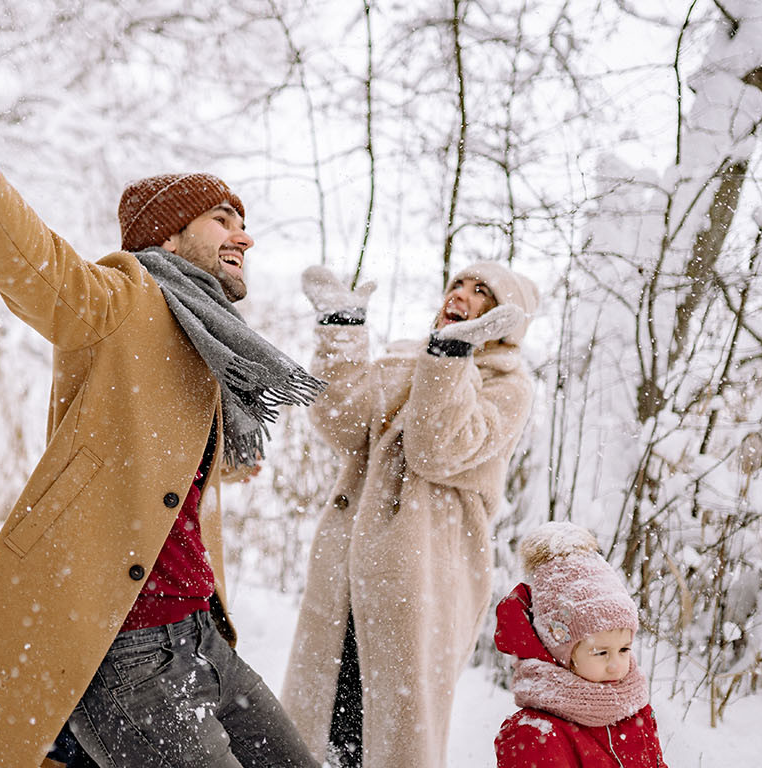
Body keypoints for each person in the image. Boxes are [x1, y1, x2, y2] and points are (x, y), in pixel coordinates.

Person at [0, 58, 324, 768]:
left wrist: (215, 467)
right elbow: (40, 271)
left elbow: (148, 469)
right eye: (222, 219)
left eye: (244, 222)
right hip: (125, 646)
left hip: (198, 633)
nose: (244, 236)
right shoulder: (124, 298)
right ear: (168, 238)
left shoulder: (208, 345)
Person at [281, 261, 539, 766]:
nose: (460, 296)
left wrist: (451, 356)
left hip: (423, 578)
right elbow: (341, 421)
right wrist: (344, 332)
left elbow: (434, 448)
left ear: (506, 317)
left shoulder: (508, 387)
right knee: (325, 722)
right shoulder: (409, 358)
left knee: (394, 728)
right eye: (456, 285)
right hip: (347, 567)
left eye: (480, 290)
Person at [493, 522, 669, 766]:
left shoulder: (635, 711)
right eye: (601, 653)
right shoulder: (537, 733)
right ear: (562, 653)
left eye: (624, 649)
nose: (615, 665)